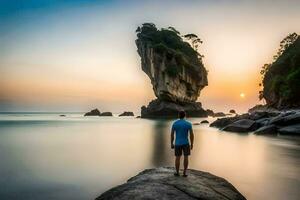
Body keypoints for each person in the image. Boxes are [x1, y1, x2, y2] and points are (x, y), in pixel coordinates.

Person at [170, 110, 194, 177]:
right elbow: (191, 135)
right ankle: (184, 173)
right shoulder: (188, 124)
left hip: (177, 143)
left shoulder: (175, 123)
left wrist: (171, 143)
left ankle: (177, 172)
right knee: (186, 157)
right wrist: (192, 144)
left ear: (178, 116)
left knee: (177, 158)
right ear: (185, 115)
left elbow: (172, 134)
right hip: (186, 143)